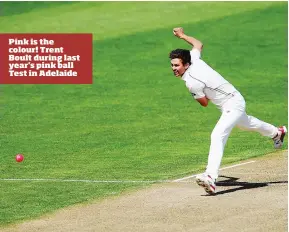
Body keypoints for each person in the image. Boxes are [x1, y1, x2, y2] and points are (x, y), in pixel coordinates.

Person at [169, 27, 286, 195]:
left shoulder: (191, 83)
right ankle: (277, 133)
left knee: (217, 135)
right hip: (232, 100)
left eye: (177, 65)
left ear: (186, 64)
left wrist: (201, 92)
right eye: (172, 65)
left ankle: (210, 177)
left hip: (232, 103)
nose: (174, 68)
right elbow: (198, 44)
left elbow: (204, 103)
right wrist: (182, 36)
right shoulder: (193, 58)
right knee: (246, 124)